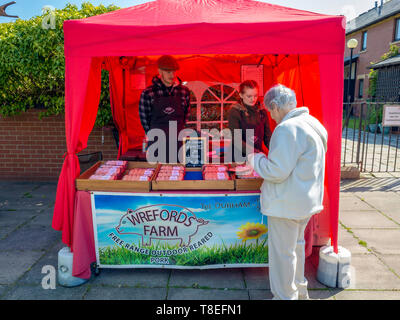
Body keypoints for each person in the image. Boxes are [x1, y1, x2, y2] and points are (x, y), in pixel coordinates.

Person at [246, 84, 328, 300]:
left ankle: (284, 297)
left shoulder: (287, 128)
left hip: (286, 204)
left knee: (283, 255)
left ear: (275, 106)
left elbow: (276, 171)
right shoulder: (314, 124)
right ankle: (300, 292)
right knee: (297, 249)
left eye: (271, 111)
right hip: (306, 201)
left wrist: (255, 159)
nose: (272, 117)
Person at [139, 55, 190, 162]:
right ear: (160, 71)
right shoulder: (148, 93)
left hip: (178, 144)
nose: (172, 75)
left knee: (178, 174)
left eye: (174, 71)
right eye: (168, 72)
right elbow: (145, 121)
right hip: (156, 144)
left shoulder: (184, 92)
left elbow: (186, 116)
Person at [227, 80, 272, 162]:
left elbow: (267, 136)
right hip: (238, 158)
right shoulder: (235, 111)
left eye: (255, 96)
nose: (253, 99)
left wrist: (276, 151)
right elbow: (236, 139)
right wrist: (255, 152)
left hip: (256, 157)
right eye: (249, 96)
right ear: (241, 95)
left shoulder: (262, 111)